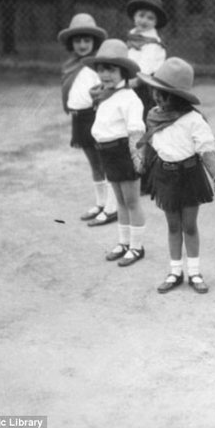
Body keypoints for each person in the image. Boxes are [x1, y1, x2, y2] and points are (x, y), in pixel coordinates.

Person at [136, 57, 215, 294]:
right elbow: (150, 143)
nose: (157, 98)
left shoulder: (193, 120)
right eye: (155, 91)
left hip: (189, 176)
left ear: (178, 97)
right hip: (164, 176)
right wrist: (143, 165)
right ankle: (175, 271)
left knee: (189, 225)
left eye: (163, 94)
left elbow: (206, 149)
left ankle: (194, 273)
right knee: (173, 225)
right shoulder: (153, 115)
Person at [83, 39, 147, 266]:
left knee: (131, 201)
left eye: (111, 69)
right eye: (101, 69)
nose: (105, 74)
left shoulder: (129, 98)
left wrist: (137, 160)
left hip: (124, 153)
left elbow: (136, 131)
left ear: (123, 72)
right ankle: (123, 242)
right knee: (119, 200)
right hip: (107, 153)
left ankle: (137, 247)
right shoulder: (104, 95)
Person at [58, 13, 118, 227]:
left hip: (95, 117)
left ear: (95, 42)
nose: (82, 45)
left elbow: (106, 90)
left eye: (87, 40)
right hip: (79, 119)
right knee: (94, 163)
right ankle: (101, 203)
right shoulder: (70, 65)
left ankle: (112, 207)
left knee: (105, 161)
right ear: (71, 43)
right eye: (77, 40)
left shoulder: (97, 66)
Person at [125, 0, 168, 118]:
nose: (144, 21)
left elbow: (146, 69)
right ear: (134, 16)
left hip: (144, 84)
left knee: (142, 115)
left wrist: (131, 83)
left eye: (150, 18)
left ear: (156, 22)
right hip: (129, 80)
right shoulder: (132, 37)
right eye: (141, 15)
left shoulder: (153, 44)